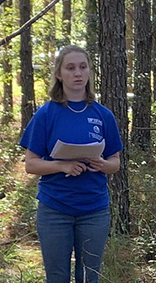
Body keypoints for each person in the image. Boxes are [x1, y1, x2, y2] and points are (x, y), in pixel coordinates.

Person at [18, 46, 124, 283]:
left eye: (83, 67)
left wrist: (102, 164)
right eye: (70, 67)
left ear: (89, 72)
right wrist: (62, 166)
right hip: (55, 208)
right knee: (57, 277)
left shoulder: (103, 115)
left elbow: (115, 162)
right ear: (59, 74)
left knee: (89, 277)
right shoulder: (46, 114)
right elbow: (31, 164)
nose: (78, 73)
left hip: (94, 209)